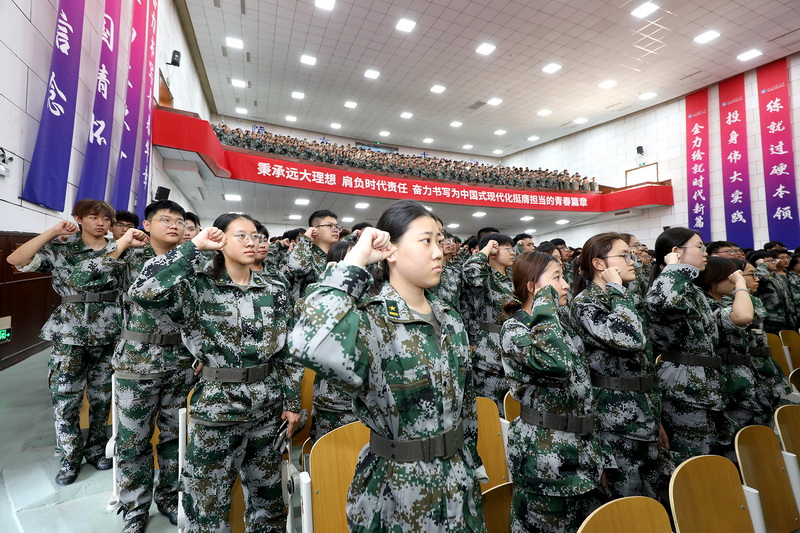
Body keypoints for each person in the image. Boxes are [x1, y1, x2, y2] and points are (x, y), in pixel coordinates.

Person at [290, 200, 487, 531]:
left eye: (440, 241)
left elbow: (465, 405)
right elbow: (308, 343)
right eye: (426, 241)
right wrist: (356, 261)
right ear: (390, 251)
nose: (438, 252)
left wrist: (473, 462)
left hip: (459, 483)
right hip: (397, 490)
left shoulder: (449, 318)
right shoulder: (372, 320)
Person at [129, 213, 302, 532]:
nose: (251, 242)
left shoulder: (275, 287)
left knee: (269, 500)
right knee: (207, 503)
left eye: (255, 235)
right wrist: (193, 246)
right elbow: (143, 291)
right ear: (219, 240)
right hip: (218, 409)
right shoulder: (196, 286)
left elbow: (288, 349)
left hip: (267, 406)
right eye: (241, 236)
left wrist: (292, 403)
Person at [69, 200, 195, 532]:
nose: (174, 225)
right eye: (165, 219)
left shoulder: (191, 262)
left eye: (180, 221)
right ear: (147, 225)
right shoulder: (129, 258)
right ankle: (135, 507)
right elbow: (81, 278)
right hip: (136, 363)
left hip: (181, 363)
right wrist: (121, 243)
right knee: (132, 440)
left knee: (174, 438)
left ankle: (168, 498)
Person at [6, 199, 118, 485]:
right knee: (65, 398)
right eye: (93, 217)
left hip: (110, 332)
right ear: (78, 218)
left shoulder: (118, 249)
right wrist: (52, 232)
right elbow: (16, 260)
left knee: (103, 398)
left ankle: (96, 449)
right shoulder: (61, 248)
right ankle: (70, 457)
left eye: (106, 218)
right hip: (69, 333)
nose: (101, 223)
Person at [500, 251, 611, 532]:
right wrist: (544, 305)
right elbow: (555, 363)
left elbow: (583, 392)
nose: (565, 285)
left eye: (563, 277)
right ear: (532, 287)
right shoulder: (515, 329)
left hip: (581, 447)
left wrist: (597, 455)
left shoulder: (560, 324)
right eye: (557, 278)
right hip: (545, 454)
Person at [571, 233, 662, 500]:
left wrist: (657, 418)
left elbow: (644, 361)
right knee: (626, 498)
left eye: (631, 255)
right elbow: (630, 340)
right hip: (613, 419)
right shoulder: (586, 303)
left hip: (645, 410)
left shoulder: (625, 297)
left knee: (653, 495)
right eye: (624, 256)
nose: (633, 261)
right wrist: (617, 290)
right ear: (599, 264)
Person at [645, 228, 724, 472]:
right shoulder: (665, 286)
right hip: (684, 386)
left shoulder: (691, 289)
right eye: (699, 247)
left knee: (710, 454)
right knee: (692, 460)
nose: (705, 253)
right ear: (676, 252)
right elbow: (664, 303)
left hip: (705, 382)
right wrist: (673, 267)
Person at [694, 256, 754, 460]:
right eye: (729, 276)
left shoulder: (728, 301)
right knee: (728, 443)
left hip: (740, 378)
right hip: (722, 382)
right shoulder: (706, 305)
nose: (734, 280)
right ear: (712, 279)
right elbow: (744, 316)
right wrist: (741, 284)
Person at [731, 258, 790, 426]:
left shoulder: (751, 299)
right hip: (745, 371)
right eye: (751, 274)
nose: (756, 278)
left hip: (761, 366)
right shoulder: (731, 304)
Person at [463, 233, 515, 414]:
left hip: (514, 353)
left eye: (512, 248)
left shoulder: (513, 278)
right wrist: (485, 250)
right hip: (491, 357)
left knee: (512, 411)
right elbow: (471, 271)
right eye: (507, 248)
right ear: (493, 252)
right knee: (491, 413)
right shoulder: (485, 279)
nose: (512, 252)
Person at [287, 209, 340, 297]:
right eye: (329, 225)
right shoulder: (307, 255)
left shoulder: (339, 255)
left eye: (337, 226)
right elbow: (297, 268)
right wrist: (305, 239)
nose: (335, 229)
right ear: (315, 229)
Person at [751, 250, 797, 333]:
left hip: (786, 318)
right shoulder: (757, 277)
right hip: (770, 319)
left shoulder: (776, 276)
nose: (774, 263)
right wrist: (761, 265)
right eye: (769, 261)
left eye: (773, 260)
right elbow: (762, 278)